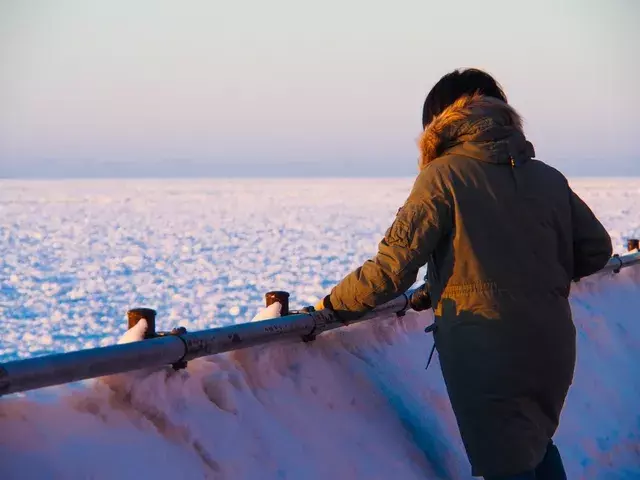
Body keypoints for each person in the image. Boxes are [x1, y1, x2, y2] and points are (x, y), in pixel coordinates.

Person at [314, 68, 613, 479]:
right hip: (552, 342)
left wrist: (330, 306)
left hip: (488, 348)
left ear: (438, 123)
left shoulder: (442, 177)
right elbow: (596, 250)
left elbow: (390, 270)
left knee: (507, 465)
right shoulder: (546, 176)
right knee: (535, 448)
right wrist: (532, 279)